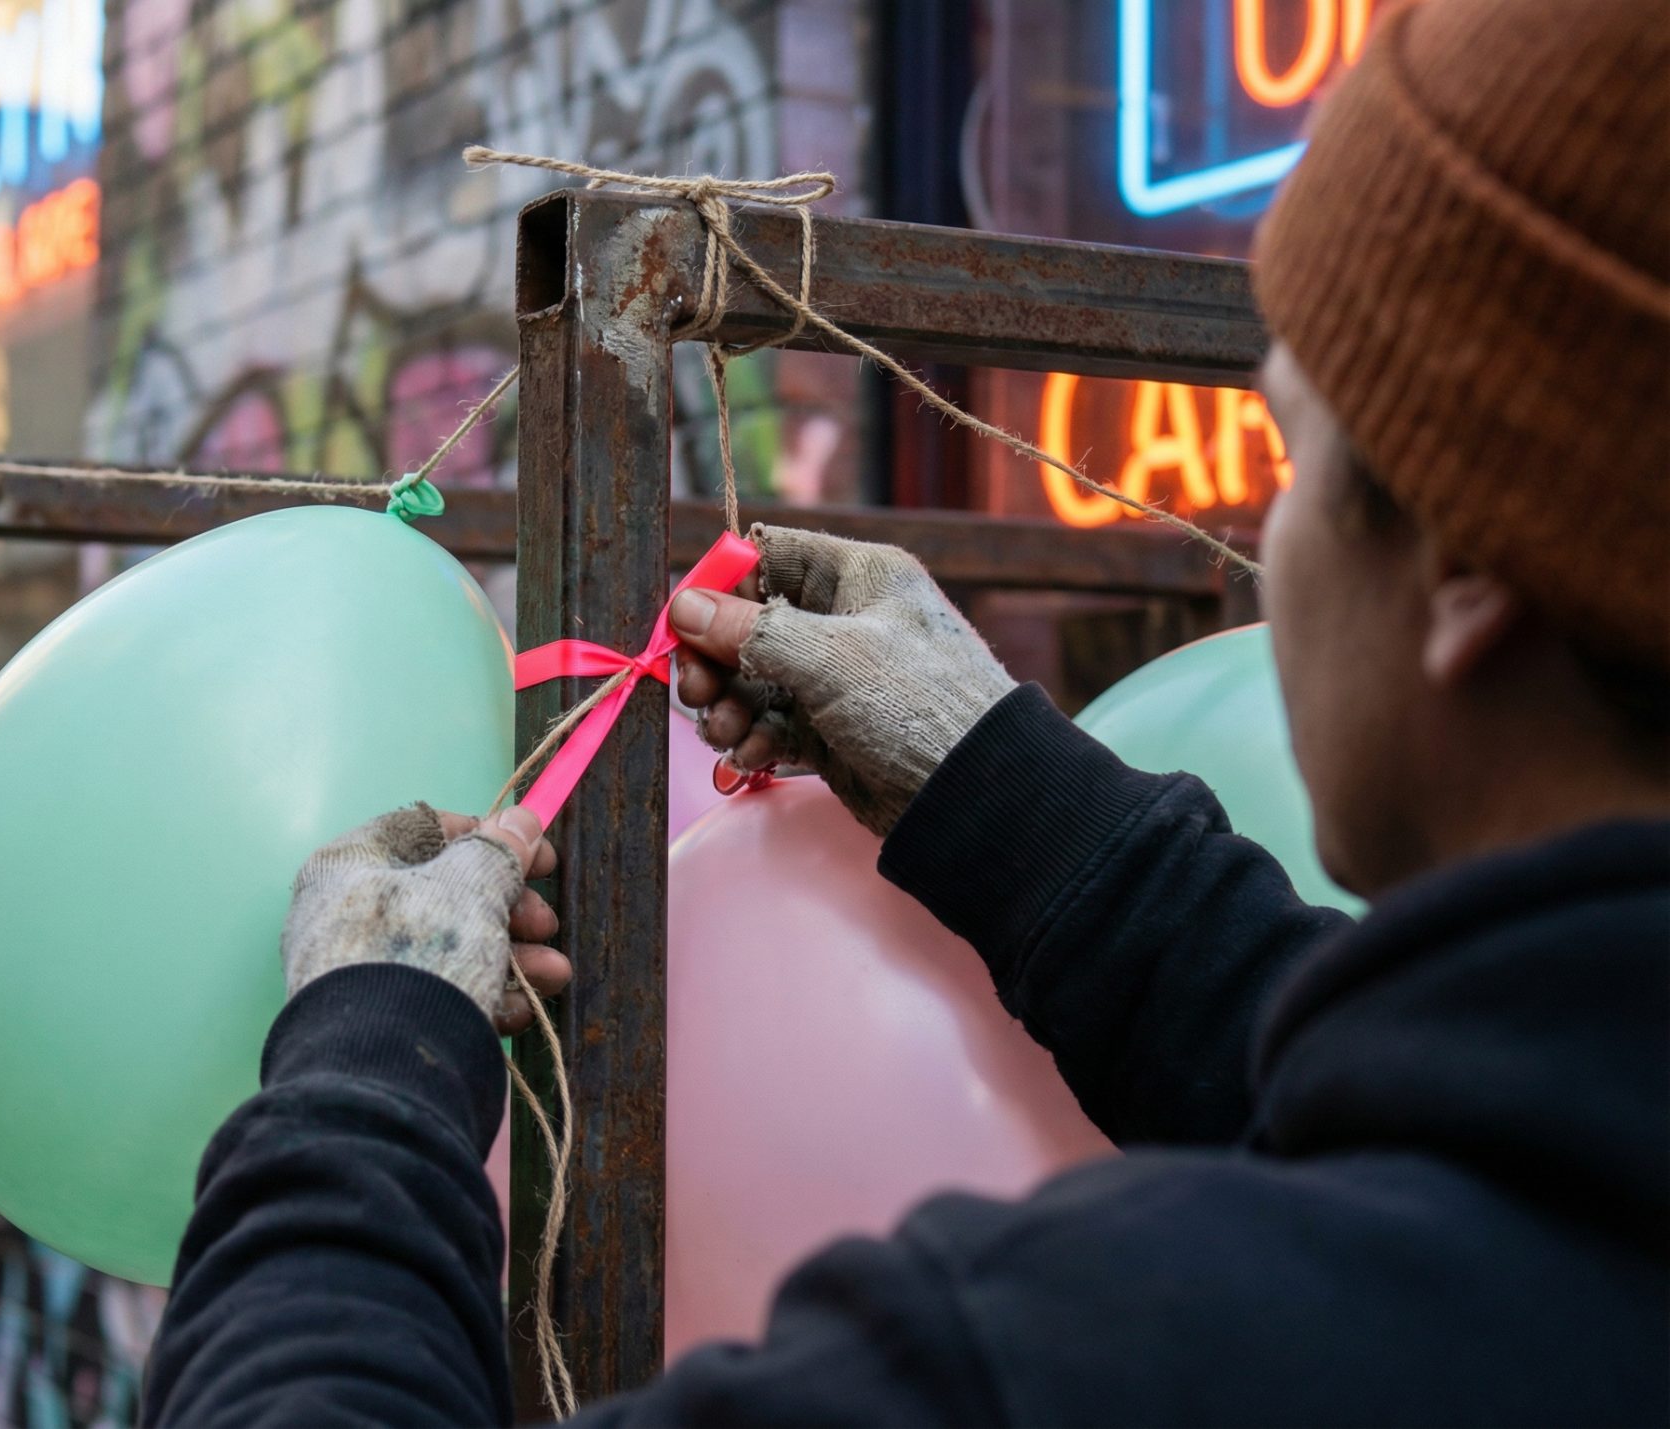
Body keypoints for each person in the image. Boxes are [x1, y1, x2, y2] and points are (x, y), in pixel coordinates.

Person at [140, 0, 1668, 1421]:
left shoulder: (1076, 1349)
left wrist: (364, 1066)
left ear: (1464, 567)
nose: (1271, 543)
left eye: (1299, 459)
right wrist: (1007, 788)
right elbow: (1436, 1113)